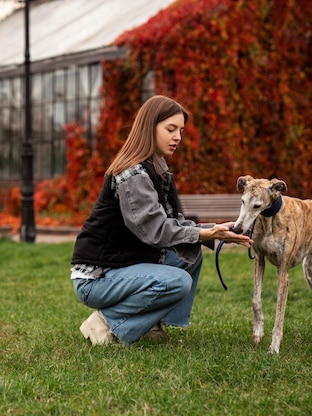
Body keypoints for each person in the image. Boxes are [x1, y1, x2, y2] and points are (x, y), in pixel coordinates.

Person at [70, 95, 253, 345]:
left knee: (188, 253)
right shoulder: (132, 172)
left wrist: (215, 230)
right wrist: (204, 234)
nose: (178, 136)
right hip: (97, 277)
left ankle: (151, 325)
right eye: (171, 129)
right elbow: (155, 231)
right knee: (178, 281)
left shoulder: (157, 168)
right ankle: (107, 322)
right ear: (150, 126)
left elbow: (173, 222)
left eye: (181, 130)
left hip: (121, 267)